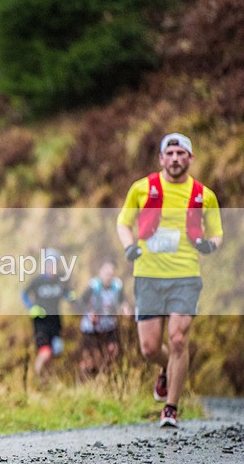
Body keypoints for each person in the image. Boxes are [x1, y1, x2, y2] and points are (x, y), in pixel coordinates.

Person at [117, 132, 222, 428]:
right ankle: (167, 369)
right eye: (170, 154)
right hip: (148, 276)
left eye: (181, 153)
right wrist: (129, 246)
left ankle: (171, 408)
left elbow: (217, 233)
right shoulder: (142, 189)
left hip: (185, 277)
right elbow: (123, 223)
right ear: (161, 158)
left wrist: (210, 246)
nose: (175, 159)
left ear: (190, 158)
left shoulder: (205, 195)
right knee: (149, 348)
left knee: (178, 339)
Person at [21, 249, 76, 377]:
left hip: (55, 321)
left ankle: (47, 378)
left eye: (55, 264)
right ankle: (36, 378)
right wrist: (31, 307)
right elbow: (24, 294)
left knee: (57, 350)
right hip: (41, 322)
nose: (53, 267)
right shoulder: (38, 281)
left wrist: (71, 297)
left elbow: (67, 293)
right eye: (50, 264)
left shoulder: (61, 280)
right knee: (45, 352)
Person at [77, 260, 131, 380]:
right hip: (91, 328)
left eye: (111, 273)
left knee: (113, 351)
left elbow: (123, 301)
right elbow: (81, 303)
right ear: (100, 273)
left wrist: (125, 308)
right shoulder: (93, 286)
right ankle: (82, 381)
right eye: (106, 273)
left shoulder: (117, 286)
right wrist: (90, 313)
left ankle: (104, 379)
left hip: (109, 326)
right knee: (92, 361)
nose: (109, 276)